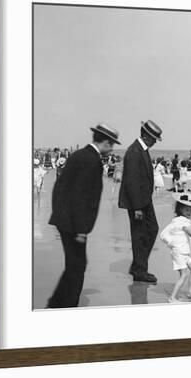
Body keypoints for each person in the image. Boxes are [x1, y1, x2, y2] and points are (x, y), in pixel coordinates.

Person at [47, 123, 121, 308]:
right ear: (104, 142)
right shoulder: (91, 161)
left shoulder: (79, 155)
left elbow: (59, 188)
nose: (111, 149)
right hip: (74, 225)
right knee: (77, 266)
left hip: (65, 220)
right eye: (111, 144)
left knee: (75, 265)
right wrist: (81, 230)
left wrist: (59, 215)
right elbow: (82, 197)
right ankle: (64, 306)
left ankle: (57, 303)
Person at [119, 120, 163, 284]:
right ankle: (139, 270)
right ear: (146, 136)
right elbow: (131, 181)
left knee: (151, 229)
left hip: (144, 200)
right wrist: (137, 207)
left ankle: (138, 265)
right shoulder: (134, 151)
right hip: (138, 202)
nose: (153, 142)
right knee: (139, 235)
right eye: (153, 139)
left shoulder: (141, 150)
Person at [160, 193, 191, 303]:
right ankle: (172, 298)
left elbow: (163, 234)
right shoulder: (182, 221)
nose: (189, 211)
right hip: (179, 252)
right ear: (180, 209)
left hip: (184, 252)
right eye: (186, 209)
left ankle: (190, 291)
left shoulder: (178, 220)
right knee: (184, 275)